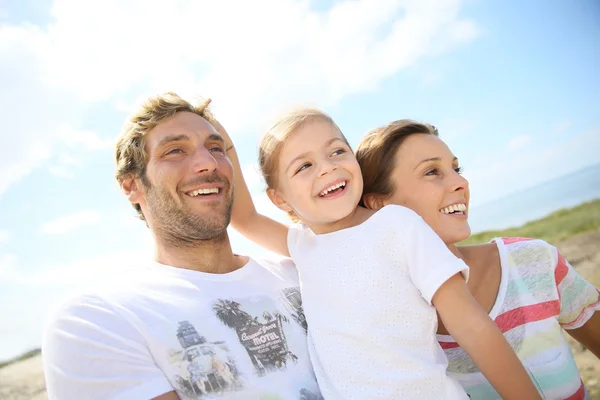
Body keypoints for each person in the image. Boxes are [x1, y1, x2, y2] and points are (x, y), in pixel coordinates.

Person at [223, 108, 541, 399]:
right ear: (279, 199)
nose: (328, 167)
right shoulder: (302, 246)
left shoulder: (397, 224)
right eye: (304, 166)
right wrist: (219, 138)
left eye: (337, 151)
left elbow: (473, 327)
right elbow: (244, 217)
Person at [42, 93, 323, 400]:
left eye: (216, 148)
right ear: (131, 184)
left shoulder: (302, 270)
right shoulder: (97, 320)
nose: (208, 163)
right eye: (175, 150)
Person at [355, 119, 600, 400]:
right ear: (379, 205)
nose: (461, 182)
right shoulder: (387, 330)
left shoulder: (532, 261)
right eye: (432, 171)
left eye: (456, 168)